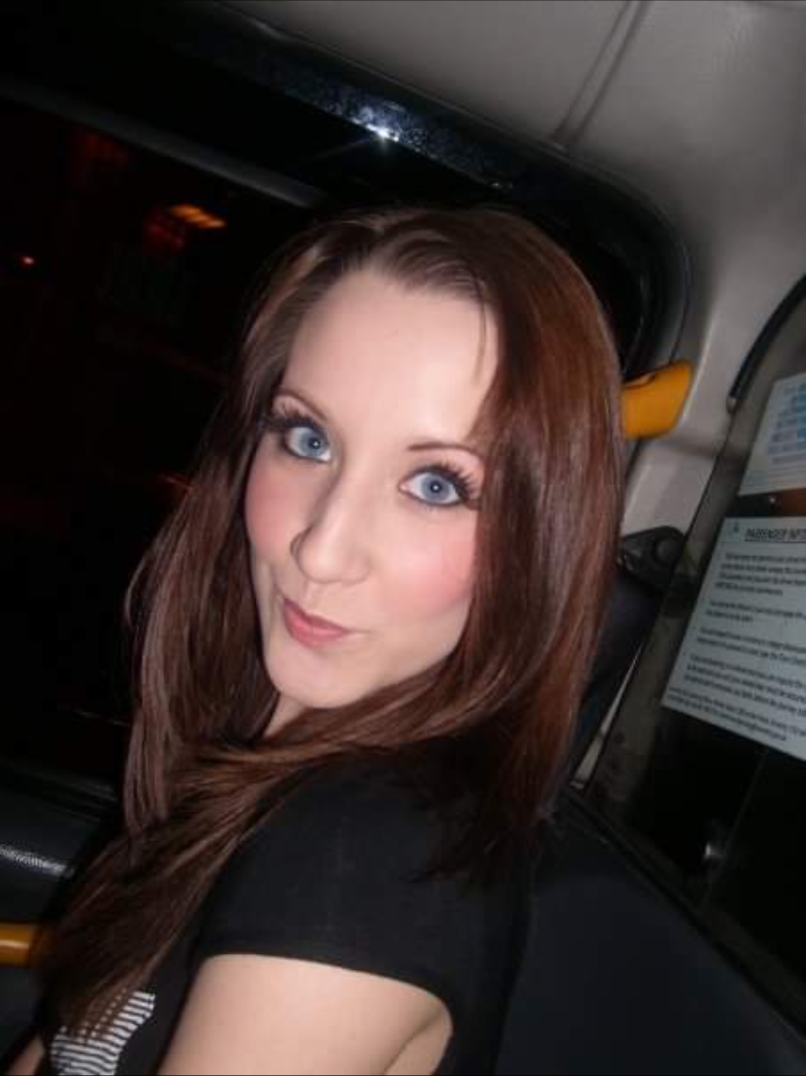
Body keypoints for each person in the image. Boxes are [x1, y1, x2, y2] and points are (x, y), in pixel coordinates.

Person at [9, 205, 624, 1075]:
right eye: (308, 438)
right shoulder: (238, 779)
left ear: (539, 544)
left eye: (437, 486)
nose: (321, 550)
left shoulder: (366, 847)